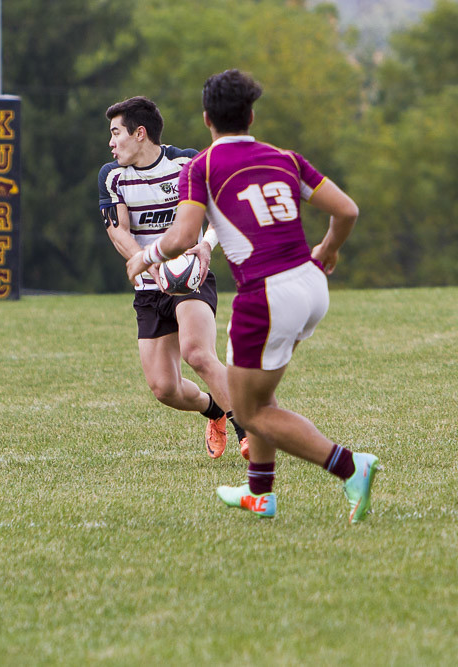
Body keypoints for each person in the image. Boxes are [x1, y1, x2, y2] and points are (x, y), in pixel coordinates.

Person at [126, 69, 379, 523]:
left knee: (251, 410)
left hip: (266, 297)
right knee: (261, 395)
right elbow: (347, 210)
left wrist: (144, 258)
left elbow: (182, 237)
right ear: (252, 116)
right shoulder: (286, 159)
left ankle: (349, 466)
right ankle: (261, 493)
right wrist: (328, 250)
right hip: (310, 286)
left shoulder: (202, 166)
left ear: (207, 118)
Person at [98, 96, 247, 459]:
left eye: (116, 133)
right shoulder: (112, 176)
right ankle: (214, 409)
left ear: (140, 133)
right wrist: (148, 262)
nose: (111, 142)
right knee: (164, 388)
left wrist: (207, 245)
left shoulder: (186, 163)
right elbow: (118, 232)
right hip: (150, 289)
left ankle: (250, 432)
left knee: (197, 353)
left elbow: (223, 211)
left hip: (190, 278)